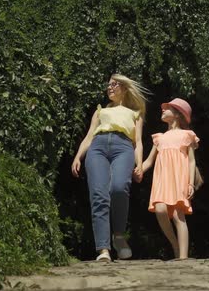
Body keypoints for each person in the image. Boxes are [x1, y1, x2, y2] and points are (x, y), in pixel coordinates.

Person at [71, 74, 149, 262]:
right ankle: (103, 249)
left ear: (124, 88)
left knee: (119, 187)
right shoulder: (99, 111)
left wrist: (139, 164)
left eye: (114, 84)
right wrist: (78, 156)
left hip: (123, 147)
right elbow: (89, 136)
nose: (110, 88)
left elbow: (138, 142)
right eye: (108, 85)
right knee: (99, 194)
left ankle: (119, 236)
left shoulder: (135, 112)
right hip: (97, 147)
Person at [141, 98, 200, 259]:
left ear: (177, 115)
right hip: (162, 179)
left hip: (179, 178)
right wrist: (138, 170)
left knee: (178, 215)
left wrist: (190, 183)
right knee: (160, 209)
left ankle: (183, 257)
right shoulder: (159, 137)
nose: (163, 110)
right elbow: (149, 161)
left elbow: (191, 160)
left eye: (167, 108)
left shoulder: (186, 135)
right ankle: (174, 243)